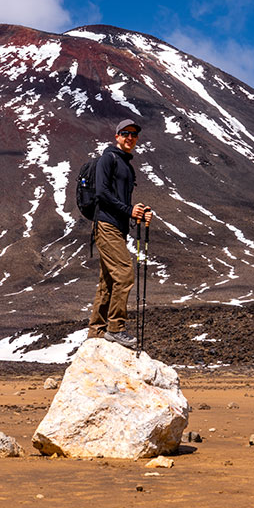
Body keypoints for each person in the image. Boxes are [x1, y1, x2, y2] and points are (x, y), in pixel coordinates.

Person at [88, 119, 153, 348]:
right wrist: (129, 210)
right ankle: (115, 328)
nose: (130, 138)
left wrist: (137, 213)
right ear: (117, 136)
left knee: (107, 281)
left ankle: (96, 332)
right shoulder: (109, 158)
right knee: (125, 273)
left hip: (118, 227)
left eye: (134, 135)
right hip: (106, 225)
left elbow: (120, 201)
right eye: (125, 133)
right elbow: (102, 193)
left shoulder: (127, 164)